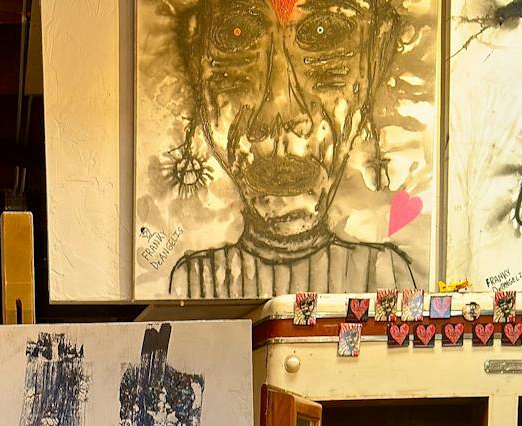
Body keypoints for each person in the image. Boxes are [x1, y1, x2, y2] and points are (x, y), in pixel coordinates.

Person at [163, 0, 419, 298]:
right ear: (195, 58)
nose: (280, 115)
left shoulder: (386, 274)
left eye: (323, 32)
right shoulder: (193, 281)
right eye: (236, 33)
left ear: (377, 54)